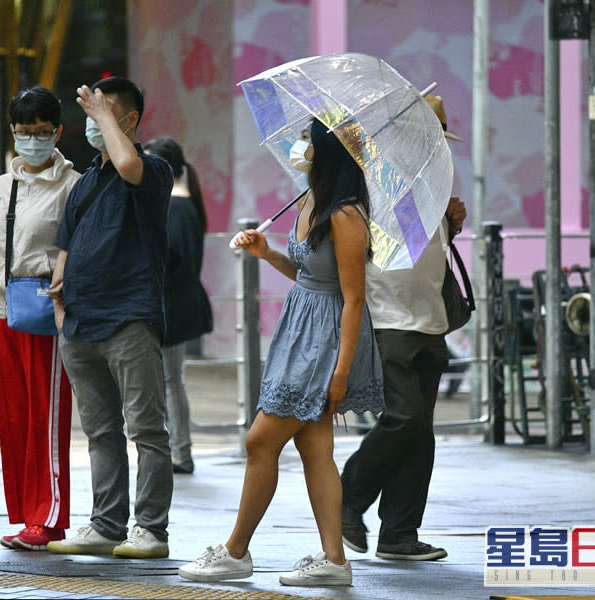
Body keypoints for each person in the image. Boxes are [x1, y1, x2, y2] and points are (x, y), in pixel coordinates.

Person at [178, 117, 384, 587]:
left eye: (308, 140)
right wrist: (268, 253)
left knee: (259, 440)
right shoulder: (312, 201)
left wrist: (340, 371)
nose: (300, 146)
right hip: (301, 330)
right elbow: (310, 275)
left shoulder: (346, 215)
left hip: (324, 341)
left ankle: (235, 551)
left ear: (327, 151)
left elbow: (352, 297)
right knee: (314, 448)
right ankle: (334, 561)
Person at [45, 76, 174, 559]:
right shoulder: (86, 181)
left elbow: (127, 162)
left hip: (129, 318)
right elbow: (66, 241)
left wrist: (103, 117)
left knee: (146, 429)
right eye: (89, 116)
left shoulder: (152, 170)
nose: (92, 124)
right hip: (79, 323)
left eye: (103, 114)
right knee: (100, 431)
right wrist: (60, 301)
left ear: (130, 120)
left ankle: (151, 529)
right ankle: (106, 524)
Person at [339, 94, 467, 562]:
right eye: (429, 136)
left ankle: (399, 533)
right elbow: (380, 247)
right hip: (389, 317)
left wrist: (451, 226)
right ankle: (346, 499)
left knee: (420, 432)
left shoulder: (431, 181)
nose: (436, 146)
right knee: (404, 418)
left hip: (428, 317)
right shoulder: (372, 180)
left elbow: (420, 248)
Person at [0, 86, 80, 550]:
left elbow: (80, 251)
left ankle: (48, 517)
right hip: (3, 310)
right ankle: (27, 514)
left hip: (46, 310)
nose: (32, 139)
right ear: (12, 132)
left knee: (46, 418)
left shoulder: (73, 187)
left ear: (58, 132)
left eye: (42, 131)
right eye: (24, 131)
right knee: (14, 417)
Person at [143, 136, 213, 475]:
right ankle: (178, 449)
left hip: (170, 306)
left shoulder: (175, 207)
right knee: (171, 380)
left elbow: (171, 261)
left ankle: (180, 451)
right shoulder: (185, 205)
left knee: (170, 381)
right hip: (176, 304)